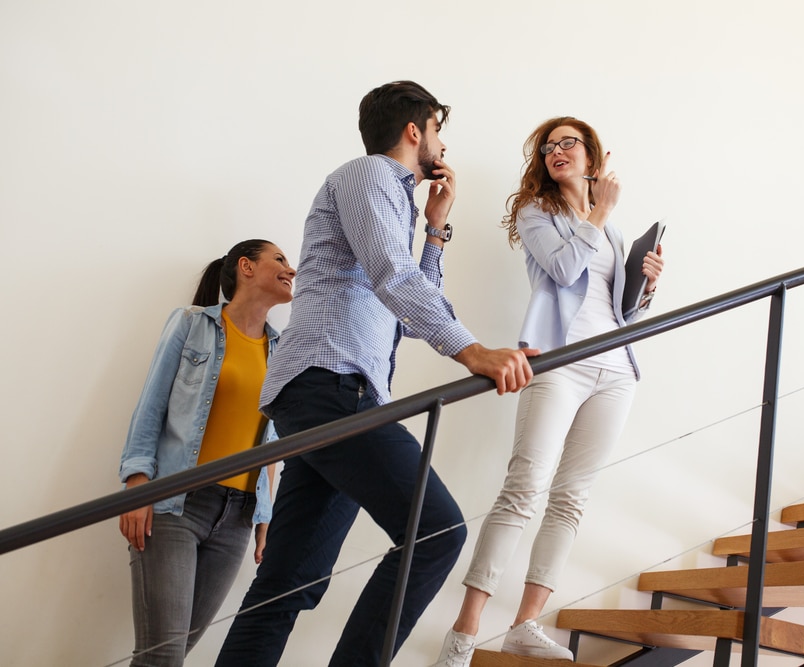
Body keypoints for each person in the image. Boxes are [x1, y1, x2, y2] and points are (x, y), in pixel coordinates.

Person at [214, 80, 538, 667]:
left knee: (289, 584)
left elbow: (409, 304)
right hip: (330, 386)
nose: (441, 142)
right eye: (438, 129)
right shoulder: (368, 175)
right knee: (438, 531)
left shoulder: (395, 200)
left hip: (329, 393)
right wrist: (471, 351)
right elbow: (394, 275)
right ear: (416, 130)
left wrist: (436, 227)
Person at [438, 117, 664, 665]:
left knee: (572, 497)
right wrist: (600, 210)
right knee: (524, 488)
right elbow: (564, 273)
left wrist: (647, 284)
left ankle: (525, 622)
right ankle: (463, 634)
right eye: (549, 146)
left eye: (569, 143)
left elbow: (618, 307)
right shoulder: (536, 213)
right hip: (560, 361)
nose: (557, 151)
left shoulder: (611, 232)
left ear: (594, 155)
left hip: (615, 370)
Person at [118, 239, 297, 666]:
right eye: (281, 259)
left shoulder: (283, 351)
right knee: (162, 658)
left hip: (237, 517)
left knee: (176, 652)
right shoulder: (191, 325)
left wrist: (265, 516)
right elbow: (151, 405)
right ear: (246, 267)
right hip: (176, 506)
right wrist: (137, 487)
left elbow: (270, 442)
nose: (292, 269)